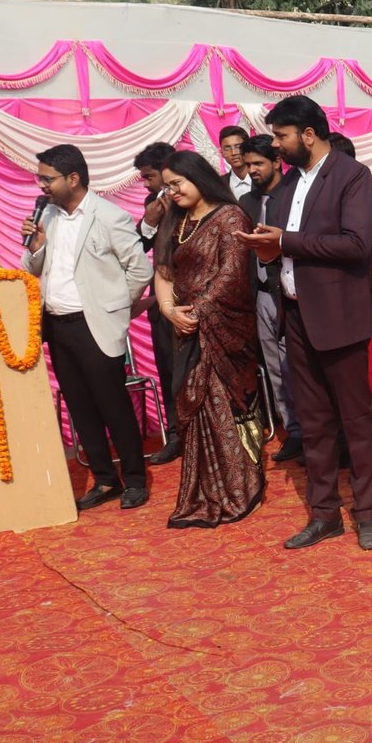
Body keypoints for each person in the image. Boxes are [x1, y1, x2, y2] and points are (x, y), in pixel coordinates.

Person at [238, 95, 372, 551]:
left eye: (281, 136)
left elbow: (356, 245)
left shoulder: (352, 175)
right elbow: (286, 247)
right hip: (295, 316)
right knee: (315, 424)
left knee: (355, 421)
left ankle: (368, 513)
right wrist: (267, 248)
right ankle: (325, 515)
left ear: (308, 134)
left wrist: (286, 241)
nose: (275, 145)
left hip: (339, 317)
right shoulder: (286, 184)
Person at [21, 144, 154, 511]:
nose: (41, 185)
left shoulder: (109, 216)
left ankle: (135, 480)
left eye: (47, 178)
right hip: (57, 326)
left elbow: (140, 270)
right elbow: (32, 269)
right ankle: (105, 479)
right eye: (40, 178)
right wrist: (35, 247)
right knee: (79, 407)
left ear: (73, 178)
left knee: (113, 405)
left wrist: (115, 310)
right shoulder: (47, 216)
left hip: (94, 326)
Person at [149, 151, 264, 527]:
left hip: (223, 328)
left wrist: (197, 312)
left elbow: (232, 274)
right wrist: (169, 310)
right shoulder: (175, 219)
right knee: (195, 408)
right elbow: (163, 271)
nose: (173, 191)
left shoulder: (230, 216)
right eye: (168, 186)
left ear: (198, 177)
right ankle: (205, 492)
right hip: (184, 325)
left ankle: (242, 488)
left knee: (223, 406)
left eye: (177, 183)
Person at [237, 135, 303, 463]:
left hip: (292, 295)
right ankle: (293, 431)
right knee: (275, 367)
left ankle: (316, 432)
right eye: (247, 164)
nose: (252, 170)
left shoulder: (294, 195)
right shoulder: (246, 202)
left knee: (298, 367)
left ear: (277, 162)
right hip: (261, 295)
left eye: (258, 164)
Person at [134, 141, 182, 464]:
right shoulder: (153, 203)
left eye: (149, 176)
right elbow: (138, 247)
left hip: (195, 295)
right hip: (161, 300)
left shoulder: (193, 198)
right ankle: (177, 434)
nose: (145, 184)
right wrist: (150, 222)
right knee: (167, 369)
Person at [217, 125, 252, 198]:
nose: (233, 153)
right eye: (227, 148)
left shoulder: (262, 178)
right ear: (221, 152)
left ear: (248, 148)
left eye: (238, 147)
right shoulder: (218, 184)